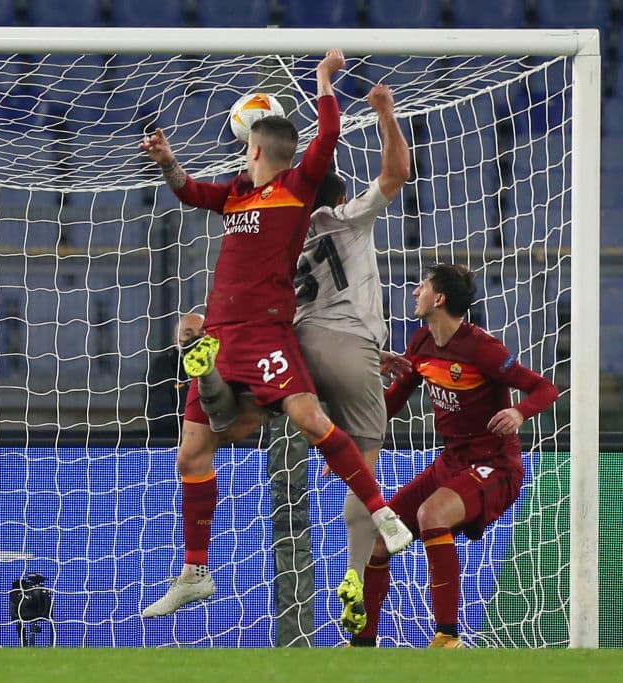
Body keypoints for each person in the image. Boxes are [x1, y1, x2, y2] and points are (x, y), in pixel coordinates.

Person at [137, 49, 412, 620]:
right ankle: (195, 572)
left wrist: (324, 77)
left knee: (309, 418)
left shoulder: (296, 188)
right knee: (190, 455)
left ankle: (380, 510)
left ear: (256, 149)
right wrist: (167, 161)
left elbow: (328, 135)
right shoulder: (236, 193)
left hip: (267, 332)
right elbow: (189, 191)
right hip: (224, 333)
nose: (242, 155)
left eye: (245, 148)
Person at [267, 83, 412, 642]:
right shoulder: (344, 217)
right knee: (364, 469)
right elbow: (396, 173)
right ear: (339, 193)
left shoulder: (286, 232)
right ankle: (353, 572)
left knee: (298, 429)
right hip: (349, 347)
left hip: (297, 347)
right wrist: (386, 117)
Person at [349, 264, 558, 648]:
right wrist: (348, 445)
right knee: (381, 537)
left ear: (439, 299)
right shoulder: (420, 343)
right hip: (452, 462)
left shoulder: (482, 349)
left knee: (432, 514)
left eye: (424, 286)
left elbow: (545, 389)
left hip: (496, 465)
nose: (416, 292)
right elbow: (393, 400)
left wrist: (518, 412)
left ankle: (448, 637)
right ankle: (363, 645)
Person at [146, 312, 205, 442]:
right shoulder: (162, 368)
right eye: (188, 334)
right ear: (175, 341)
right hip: (173, 445)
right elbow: (160, 417)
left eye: (202, 334)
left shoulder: (224, 366)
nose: (196, 340)